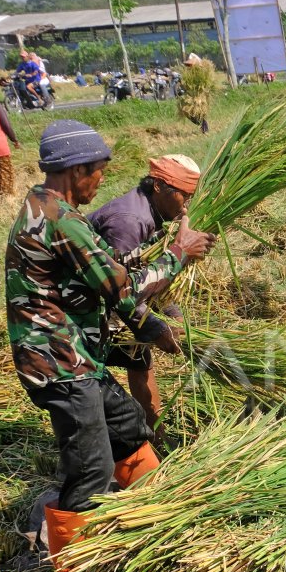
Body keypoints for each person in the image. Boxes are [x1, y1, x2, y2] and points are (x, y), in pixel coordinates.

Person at [5, 120, 215, 572]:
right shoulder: (60, 221)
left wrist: (151, 324)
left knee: (126, 424)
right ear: (75, 169)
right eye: (98, 170)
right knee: (91, 471)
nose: (102, 180)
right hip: (58, 362)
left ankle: (155, 514)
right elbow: (120, 287)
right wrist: (177, 254)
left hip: (79, 356)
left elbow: (110, 281)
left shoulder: (48, 206)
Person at [89, 154, 202, 440]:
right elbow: (120, 292)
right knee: (113, 370)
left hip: (113, 299)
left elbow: (151, 275)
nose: (187, 204)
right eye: (184, 195)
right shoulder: (129, 223)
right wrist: (155, 327)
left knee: (139, 358)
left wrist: (172, 314)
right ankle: (136, 438)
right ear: (159, 187)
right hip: (88, 309)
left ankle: (156, 434)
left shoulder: (155, 214)